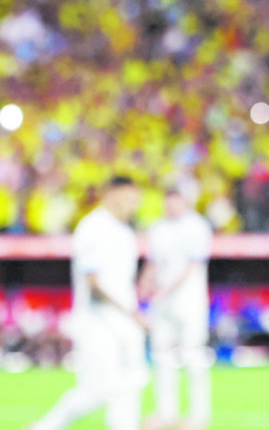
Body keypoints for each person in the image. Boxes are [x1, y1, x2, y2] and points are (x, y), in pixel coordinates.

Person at [27, 176, 148, 430]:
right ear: (113, 195)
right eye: (130, 199)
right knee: (98, 389)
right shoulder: (93, 228)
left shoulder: (124, 232)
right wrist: (131, 313)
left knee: (132, 383)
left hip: (123, 320)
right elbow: (93, 282)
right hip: (98, 321)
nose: (134, 206)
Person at [139, 186, 215, 430]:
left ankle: (198, 415)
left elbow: (191, 266)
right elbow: (153, 261)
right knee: (161, 356)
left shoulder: (197, 226)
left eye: (175, 200)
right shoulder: (158, 228)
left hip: (188, 301)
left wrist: (162, 290)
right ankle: (166, 413)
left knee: (193, 355)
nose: (170, 206)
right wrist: (145, 283)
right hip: (162, 302)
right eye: (167, 201)